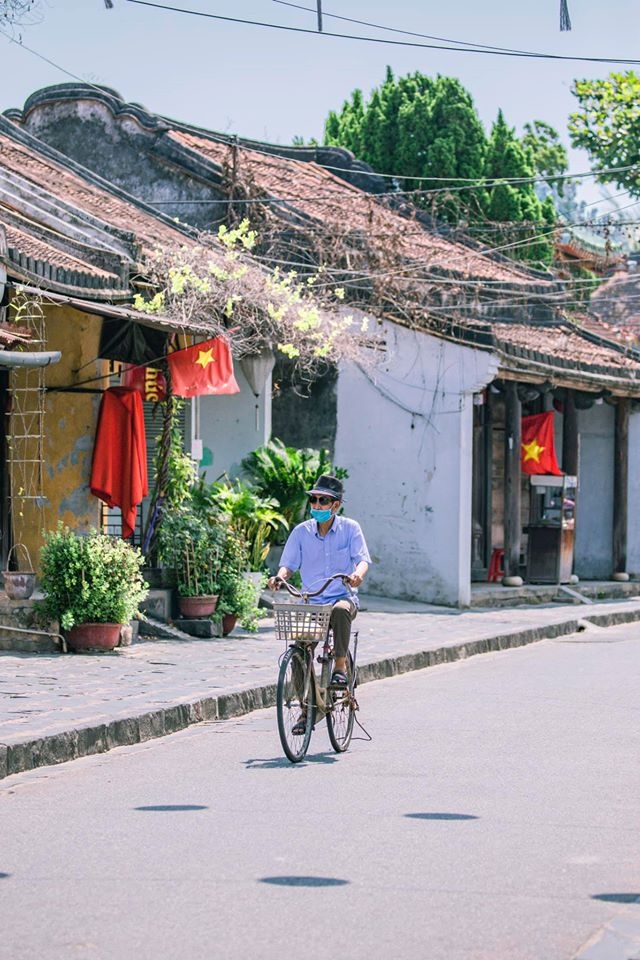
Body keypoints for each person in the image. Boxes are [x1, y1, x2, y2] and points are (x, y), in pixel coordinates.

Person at [268, 474, 370, 688]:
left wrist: (357, 575)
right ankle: (305, 709)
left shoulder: (350, 528)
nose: (316, 504)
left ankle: (340, 668)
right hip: (312, 603)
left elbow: (362, 560)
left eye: (322, 500)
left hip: (342, 597)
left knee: (340, 610)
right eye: (313, 499)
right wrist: (280, 577)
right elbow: (288, 564)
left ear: (336, 505)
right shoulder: (301, 532)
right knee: (299, 649)